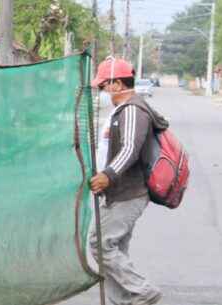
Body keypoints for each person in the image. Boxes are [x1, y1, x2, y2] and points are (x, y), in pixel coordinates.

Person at [88, 57, 168, 305]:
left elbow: (130, 149)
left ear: (116, 84)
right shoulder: (122, 109)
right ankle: (123, 301)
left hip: (126, 192)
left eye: (103, 85)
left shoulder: (133, 109)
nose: (101, 90)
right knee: (114, 249)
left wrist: (107, 176)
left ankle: (142, 291)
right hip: (118, 192)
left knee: (99, 244)